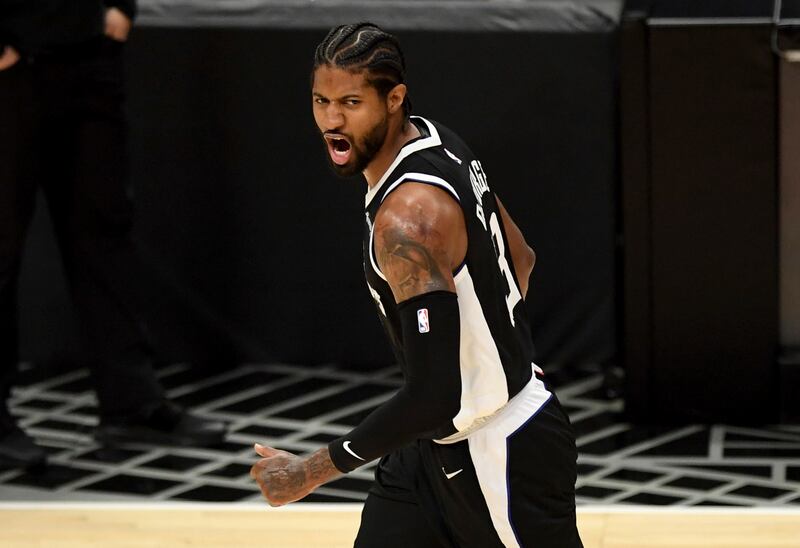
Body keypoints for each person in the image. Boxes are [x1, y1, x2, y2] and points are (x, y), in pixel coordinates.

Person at [250, 22, 582, 548]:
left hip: (496, 452)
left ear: (393, 99)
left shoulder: (408, 219)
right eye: (321, 101)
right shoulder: (441, 142)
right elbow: (522, 258)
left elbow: (433, 395)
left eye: (351, 103)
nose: (331, 121)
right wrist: (501, 353)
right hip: (430, 447)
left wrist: (307, 473)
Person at [0, 1, 227, 468]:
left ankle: (131, 406)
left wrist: (121, 7)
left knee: (105, 233)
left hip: (88, 55)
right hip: (9, 69)